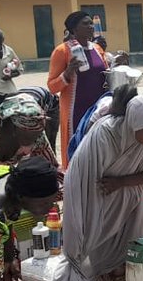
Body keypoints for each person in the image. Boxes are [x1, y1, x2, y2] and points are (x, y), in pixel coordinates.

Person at [63, 91, 143, 281]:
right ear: (133, 124)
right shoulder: (106, 133)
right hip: (98, 195)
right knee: (100, 247)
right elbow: (86, 174)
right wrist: (89, 209)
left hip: (130, 193)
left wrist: (123, 182)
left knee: (133, 245)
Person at [47, 11, 110, 166]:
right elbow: (52, 87)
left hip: (98, 109)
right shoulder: (62, 51)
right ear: (73, 29)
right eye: (85, 24)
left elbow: (106, 74)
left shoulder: (97, 49)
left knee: (99, 149)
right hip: (76, 111)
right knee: (77, 152)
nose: (90, 26)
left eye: (91, 23)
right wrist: (67, 73)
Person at [17, 85, 61, 152]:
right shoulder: (8, 109)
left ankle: (50, 161)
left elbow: (41, 123)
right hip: (30, 97)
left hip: (53, 106)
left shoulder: (35, 110)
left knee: (48, 140)